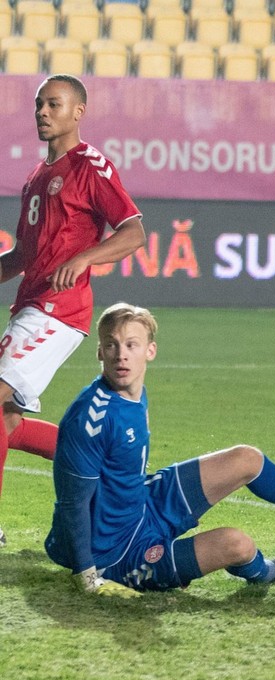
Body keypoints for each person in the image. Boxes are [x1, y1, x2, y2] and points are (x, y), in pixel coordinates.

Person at [45, 303, 275, 596]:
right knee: (237, 544)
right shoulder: (91, 417)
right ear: (99, 352)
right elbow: (73, 502)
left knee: (247, 459)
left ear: (150, 351)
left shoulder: (133, 391)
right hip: (116, 554)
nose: (121, 354)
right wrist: (88, 575)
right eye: (112, 345)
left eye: (131, 344)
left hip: (145, 503)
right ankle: (272, 574)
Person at [0, 74, 145, 546]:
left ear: (78, 111)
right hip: (30, 305)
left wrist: (84, 257)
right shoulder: (35, 178)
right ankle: (100, 468)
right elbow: (23, 256)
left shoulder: (91, 166)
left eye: (54, 104)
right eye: (39, 104)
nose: (43, 112)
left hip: (60, 310)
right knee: (7, 422)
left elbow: (133, 231)